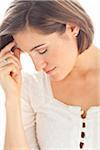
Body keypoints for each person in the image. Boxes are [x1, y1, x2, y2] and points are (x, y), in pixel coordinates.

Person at [0, 0, 100, 149]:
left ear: (72, 27)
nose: (38, 66)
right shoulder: (32, 88)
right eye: (29, 55)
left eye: (41, 51)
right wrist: (12, 99)